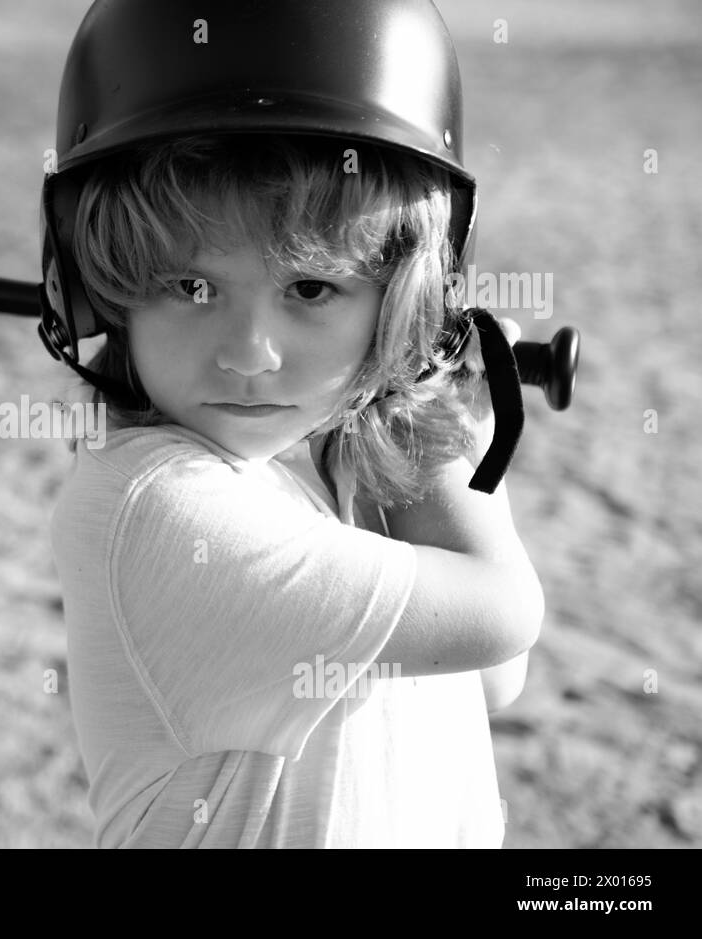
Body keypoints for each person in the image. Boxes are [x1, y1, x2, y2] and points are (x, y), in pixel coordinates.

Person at [41, 0, 544, 848]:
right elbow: (500, 614)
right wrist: (438, 409)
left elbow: (492, 680)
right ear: (101, 295)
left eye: (310, 289)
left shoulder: (316, 454)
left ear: (401, 302)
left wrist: (405, 402)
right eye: (190, 287)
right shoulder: (154, 507)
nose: (248, 354)